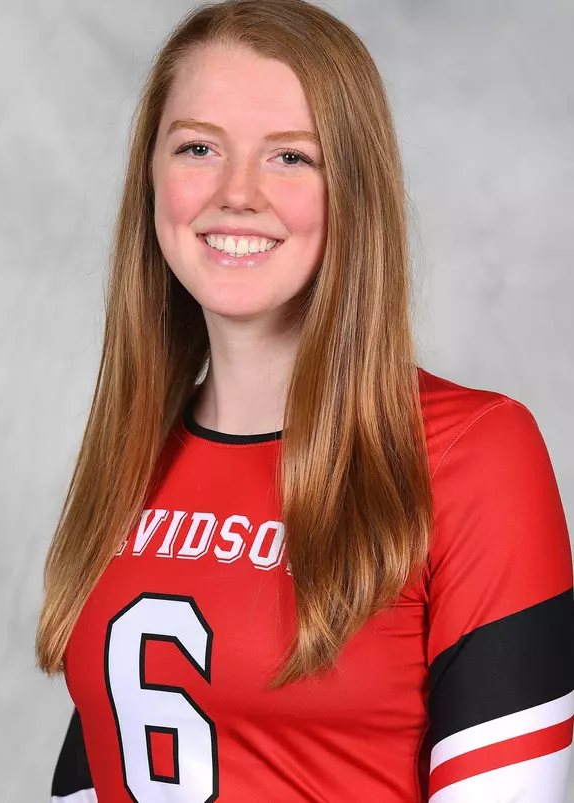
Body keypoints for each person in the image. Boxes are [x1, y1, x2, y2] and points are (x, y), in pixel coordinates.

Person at [36, 0, 574, 801]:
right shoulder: (130, 456)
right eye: (196, 147)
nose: (236, 194)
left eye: (290, 158)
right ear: (149, 177)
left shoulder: (474, 454)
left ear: (354, 191)